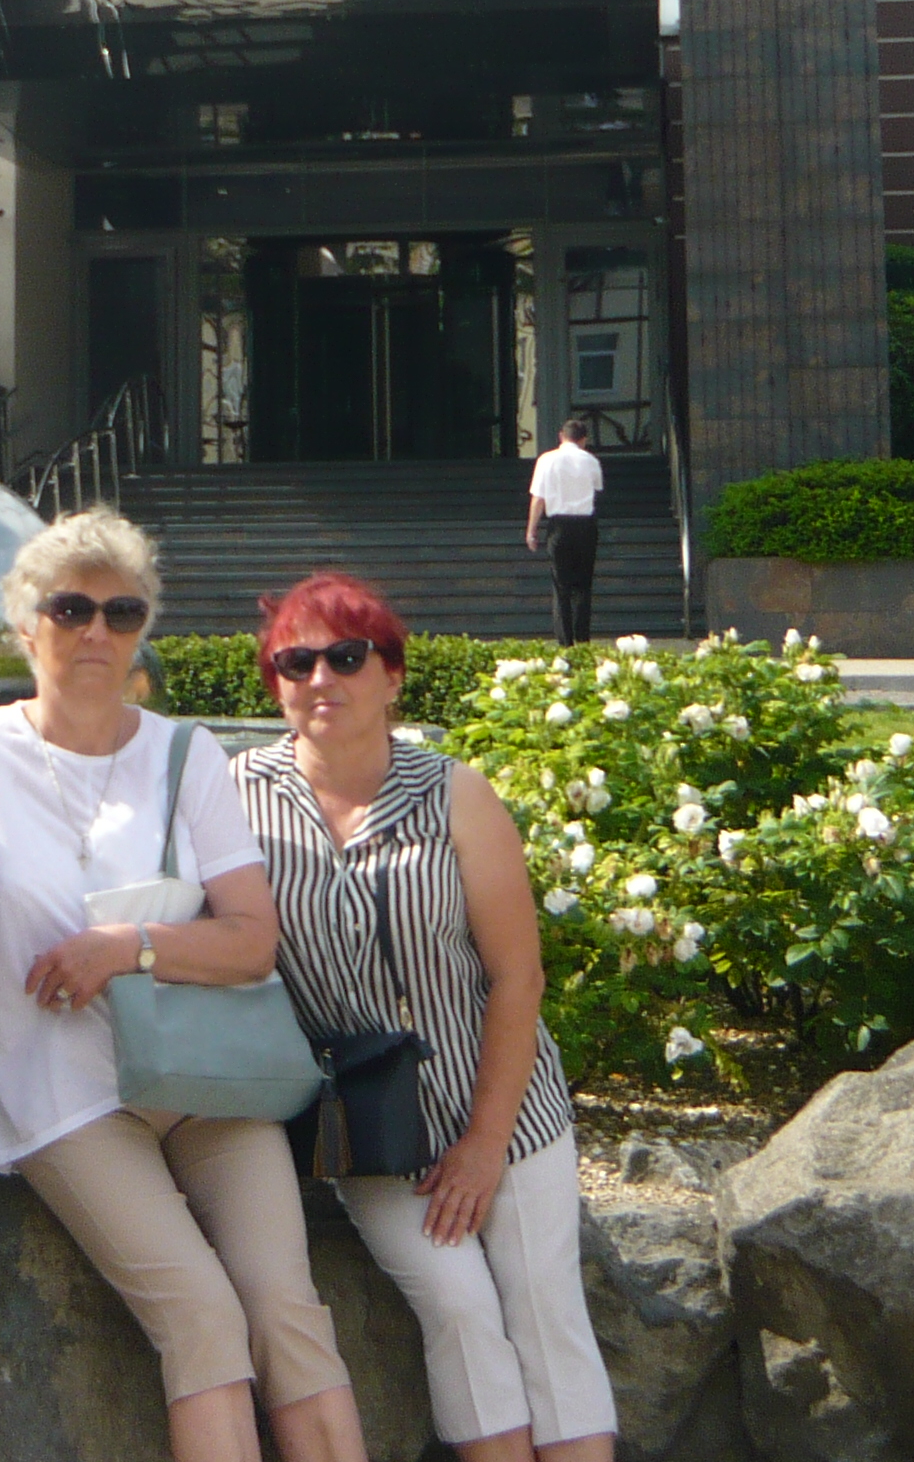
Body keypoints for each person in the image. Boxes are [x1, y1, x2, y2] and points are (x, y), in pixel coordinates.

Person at [0, 509, 367, 1462]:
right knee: (201, 1316)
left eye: (122, 612)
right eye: (72, 609)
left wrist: (125, 946)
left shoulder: (184, 752)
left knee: (287, 1309)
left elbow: (252, 941)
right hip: (60, 1088)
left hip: (204, 1076)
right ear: (24, 624)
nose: (97, 632)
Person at [236, 574, 616, 1462]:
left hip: (508, 1106)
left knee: (545, 1312)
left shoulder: (454, 794)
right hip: (374, 1124)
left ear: (392, 675)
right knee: (458, 1306)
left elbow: (517, 977)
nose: (321, 677)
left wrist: (484, 1143)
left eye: (347, 657)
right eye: (296, 661)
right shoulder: (236, 795)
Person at [524, 417, 605, 648]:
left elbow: (538, 498)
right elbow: (597, 488)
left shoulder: (546, 460)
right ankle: (583, 639)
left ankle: (565, 642)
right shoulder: (591, 461)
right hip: (585, 525)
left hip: (559, 525)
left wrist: (531, 530)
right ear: (584, 440)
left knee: (561, 586)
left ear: (561, 436)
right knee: (583, 585)